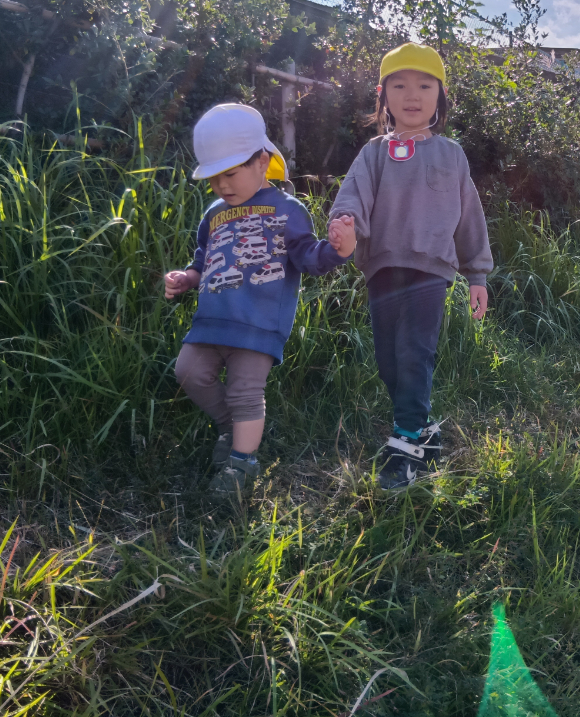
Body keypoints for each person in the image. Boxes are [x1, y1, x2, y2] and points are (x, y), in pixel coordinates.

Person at [164, 103, 356, 497]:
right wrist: (187, 278)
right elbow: (204, 259)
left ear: (261, 161)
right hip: (212, 319)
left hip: (259, 323)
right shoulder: (214, 212)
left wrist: (339, 249)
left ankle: (241, 463)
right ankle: (229, 427)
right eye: (215, 178)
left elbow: (307, 257)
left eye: (231, 173)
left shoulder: (288, 210)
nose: (222, 186)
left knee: (245, 391)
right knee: (188, 372)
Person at [328, 43, 492, 490]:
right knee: (388, 359)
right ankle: (421, 431)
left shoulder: (451, 154)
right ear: (383, 97)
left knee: (414, 351)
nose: (412, 94)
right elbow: (353, 198)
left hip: (431, 271)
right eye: (399, 85)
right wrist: (345, 227)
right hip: (383, 268)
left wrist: (476, 274)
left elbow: (469, 214)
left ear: (440, 96)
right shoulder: (375, 153)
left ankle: (405, 446)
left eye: (424, 85)